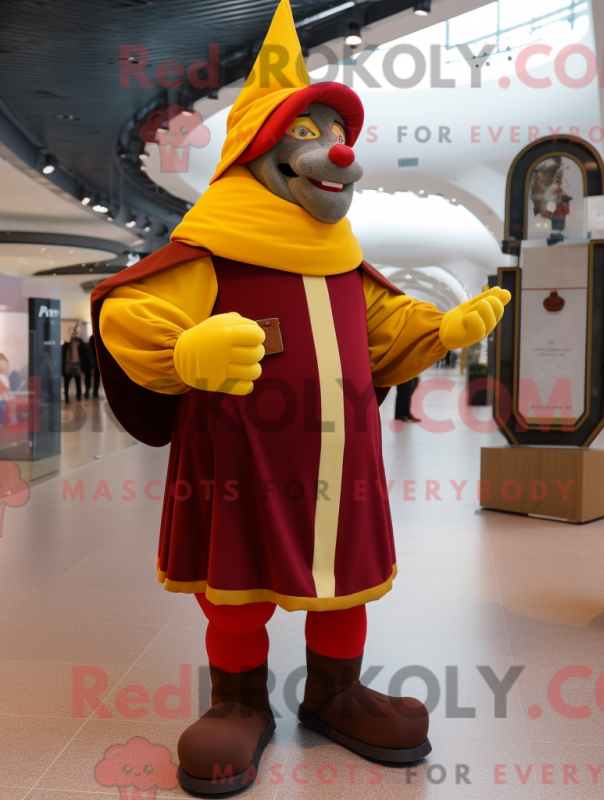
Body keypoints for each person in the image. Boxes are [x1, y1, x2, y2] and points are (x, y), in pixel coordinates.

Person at [91, 1, 511, 791]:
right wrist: (185, 349)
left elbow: (385, 326)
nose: (336, 149)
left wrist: (442, 329)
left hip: (340, 469)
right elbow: (131, 311)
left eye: (338, 133)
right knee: (236, 592)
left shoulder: (343, 259)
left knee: (342, 584)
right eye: (309, 133)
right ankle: (239, 701)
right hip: (239, 464)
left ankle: (335, 692)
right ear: (258, 149)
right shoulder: (212, 250)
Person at [61, 326, 88, 403]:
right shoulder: (66, 345)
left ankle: (78, 397)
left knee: (78, 382)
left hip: (76, 364)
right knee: (67, 383)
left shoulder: (79, 345)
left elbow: (83, 354)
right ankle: (67, 397)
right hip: (68, 364)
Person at [87, 334, 100, 399]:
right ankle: (94, 391)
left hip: (95, 361)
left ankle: (94, 391)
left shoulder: (93, 338)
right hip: (95, 361)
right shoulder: (93, 338)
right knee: (95, 377)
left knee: (95, 378)